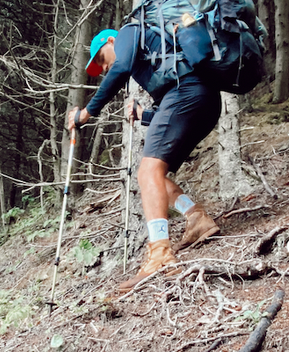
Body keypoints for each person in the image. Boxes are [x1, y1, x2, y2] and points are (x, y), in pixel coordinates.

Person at [68, 23, 221, 290]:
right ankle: (197, 218)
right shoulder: (153, 53)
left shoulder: (128, 33)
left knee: (147, 172)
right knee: (155, 176)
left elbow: (120, 68)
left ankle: (160, 254)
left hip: (186, 93)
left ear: (111, 42)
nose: (103, 68)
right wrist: (143, 115)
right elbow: (168, 105)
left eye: (101, 59)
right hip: (205, 100)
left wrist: (86, 114)